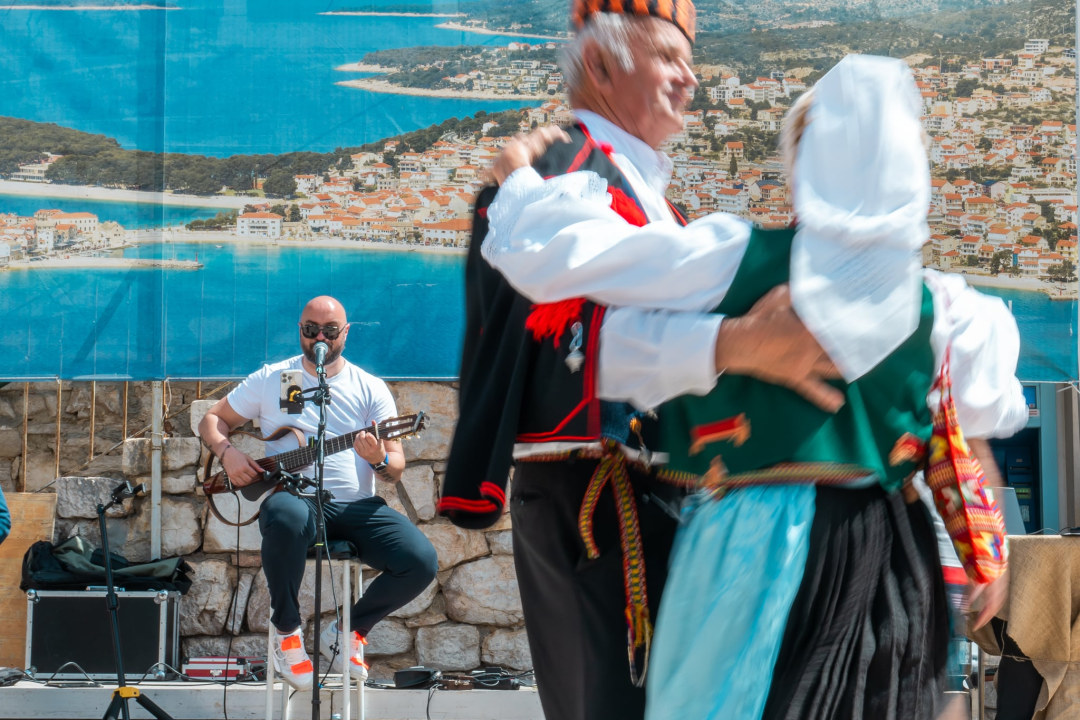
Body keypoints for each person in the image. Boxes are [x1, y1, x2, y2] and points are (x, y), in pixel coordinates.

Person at [483, 55, 1026, 719]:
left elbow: (563, 259)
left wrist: (521, 186)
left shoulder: (731, 259)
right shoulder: (952, 311)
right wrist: (986, 557)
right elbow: (966, 436)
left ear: (805, 163)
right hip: (886, 546)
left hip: (745, 539)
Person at [440, 3, 844, 720]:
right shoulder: (569, 168)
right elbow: (579, 346)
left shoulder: (632, 189)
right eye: (668, 57)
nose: (689, 78)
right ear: (599, 65)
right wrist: (737, 344)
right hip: (604, 500)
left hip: (635, 498)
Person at [199, 296, 438, 692]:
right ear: (300, 331)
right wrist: (228, 453)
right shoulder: (272, 378)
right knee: (285, 516)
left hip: (355, 504)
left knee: (419, 559)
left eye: (329, 331)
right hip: (296, 499)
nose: (320, 338)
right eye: (311, 330)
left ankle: (348, 631)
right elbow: (213, 419)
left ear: (345, 333)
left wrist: (378, 458)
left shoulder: (370, 387)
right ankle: (288, 635)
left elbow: (395, 470)